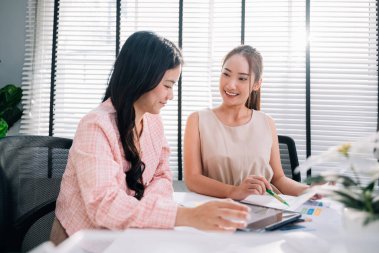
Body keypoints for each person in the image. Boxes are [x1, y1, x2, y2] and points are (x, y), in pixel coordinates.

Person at [50, 31, 250, 245]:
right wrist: (185, 216)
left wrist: (153, 208)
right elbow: (105, 206)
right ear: (141, 77)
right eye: (167, 85)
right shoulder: (96, 126)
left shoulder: (153, 121)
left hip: (130, 238)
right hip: (85, 243)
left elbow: (162, 175)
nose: (171, 95)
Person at [184, 45, 310, 201]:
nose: (230, 85)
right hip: (217, 209)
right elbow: (192, 179)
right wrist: (234, 191)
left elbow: (278, 179)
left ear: (257, 84)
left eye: (242, 78)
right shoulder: (197, 120)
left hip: (264, 209)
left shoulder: (267, 122)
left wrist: (308, 191)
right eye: (226, 74)